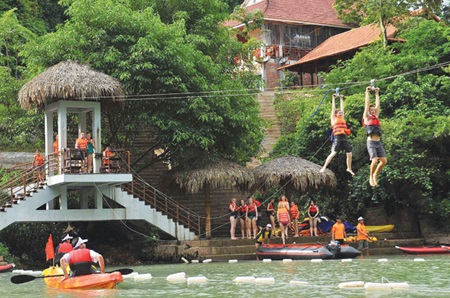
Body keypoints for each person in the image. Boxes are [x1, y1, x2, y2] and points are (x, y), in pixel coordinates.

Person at [320, 93, 355, 175]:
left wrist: (341, 99)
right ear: (336, 114)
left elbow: (343, 109)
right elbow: (333, 109)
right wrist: (333, 98)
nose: (340, 113)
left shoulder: (342, 118)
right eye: (339, 112)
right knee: (333, 153)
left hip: (344, 137)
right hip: (337, 138)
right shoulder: (333, 118)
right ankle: (324, 167)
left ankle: (349, 168)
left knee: (349, 153)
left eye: (341, 113)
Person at [363, 86, 387, 187]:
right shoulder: (367, 117)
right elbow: (367, 104)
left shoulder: (376, 116)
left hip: (378, 142)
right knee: (375, 160)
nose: (373, 111)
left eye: (373, 110)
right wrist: (367, 92)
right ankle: (370, 176)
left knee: (384, 161)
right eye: (371, 110)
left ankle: (375, 175)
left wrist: (377, 93)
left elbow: (378, 104)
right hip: (371, 142)